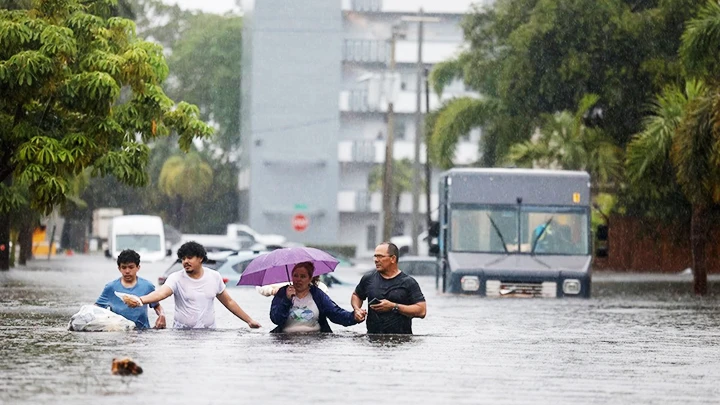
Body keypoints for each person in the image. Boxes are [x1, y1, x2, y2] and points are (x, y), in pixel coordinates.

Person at [125, 241, 261, 329]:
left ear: (200, 258)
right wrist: (140, 300)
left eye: (189, 258)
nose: (185, 261)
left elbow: (229, 302)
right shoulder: (176, 278)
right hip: (182, 336)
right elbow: (161, 293)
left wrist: (249, 321)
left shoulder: (214, 276)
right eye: (183, 259)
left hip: (209, 335)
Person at [351, 242, 426, 334]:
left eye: (380, 256)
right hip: (372, 340)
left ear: (393, 259)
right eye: (375, 256)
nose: (376, 260)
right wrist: (357, 309)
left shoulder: (408, 282)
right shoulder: (368, 278)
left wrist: (394, 307)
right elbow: (356, 295)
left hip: (401, 340)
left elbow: (422, 311)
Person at [269, 262, 365, 333]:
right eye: (295, 276)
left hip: (315, 338)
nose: (298, 280)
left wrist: (354, 317)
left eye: (303, 276)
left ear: (310, 278)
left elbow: (336, 314)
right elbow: (276, 319)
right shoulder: (283, 293)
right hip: (286, 339)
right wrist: (287, 300)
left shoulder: (317, 295)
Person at [95, 249, 166, 329]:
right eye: (124, 267)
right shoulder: (110, 288)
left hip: (142, 333)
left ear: (138, 267)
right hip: (119, 333)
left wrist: (162, 315)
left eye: (131, 267)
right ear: (119, 268)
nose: (127, 271)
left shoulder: (147, 286)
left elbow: (156, 306)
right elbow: (96, 309)